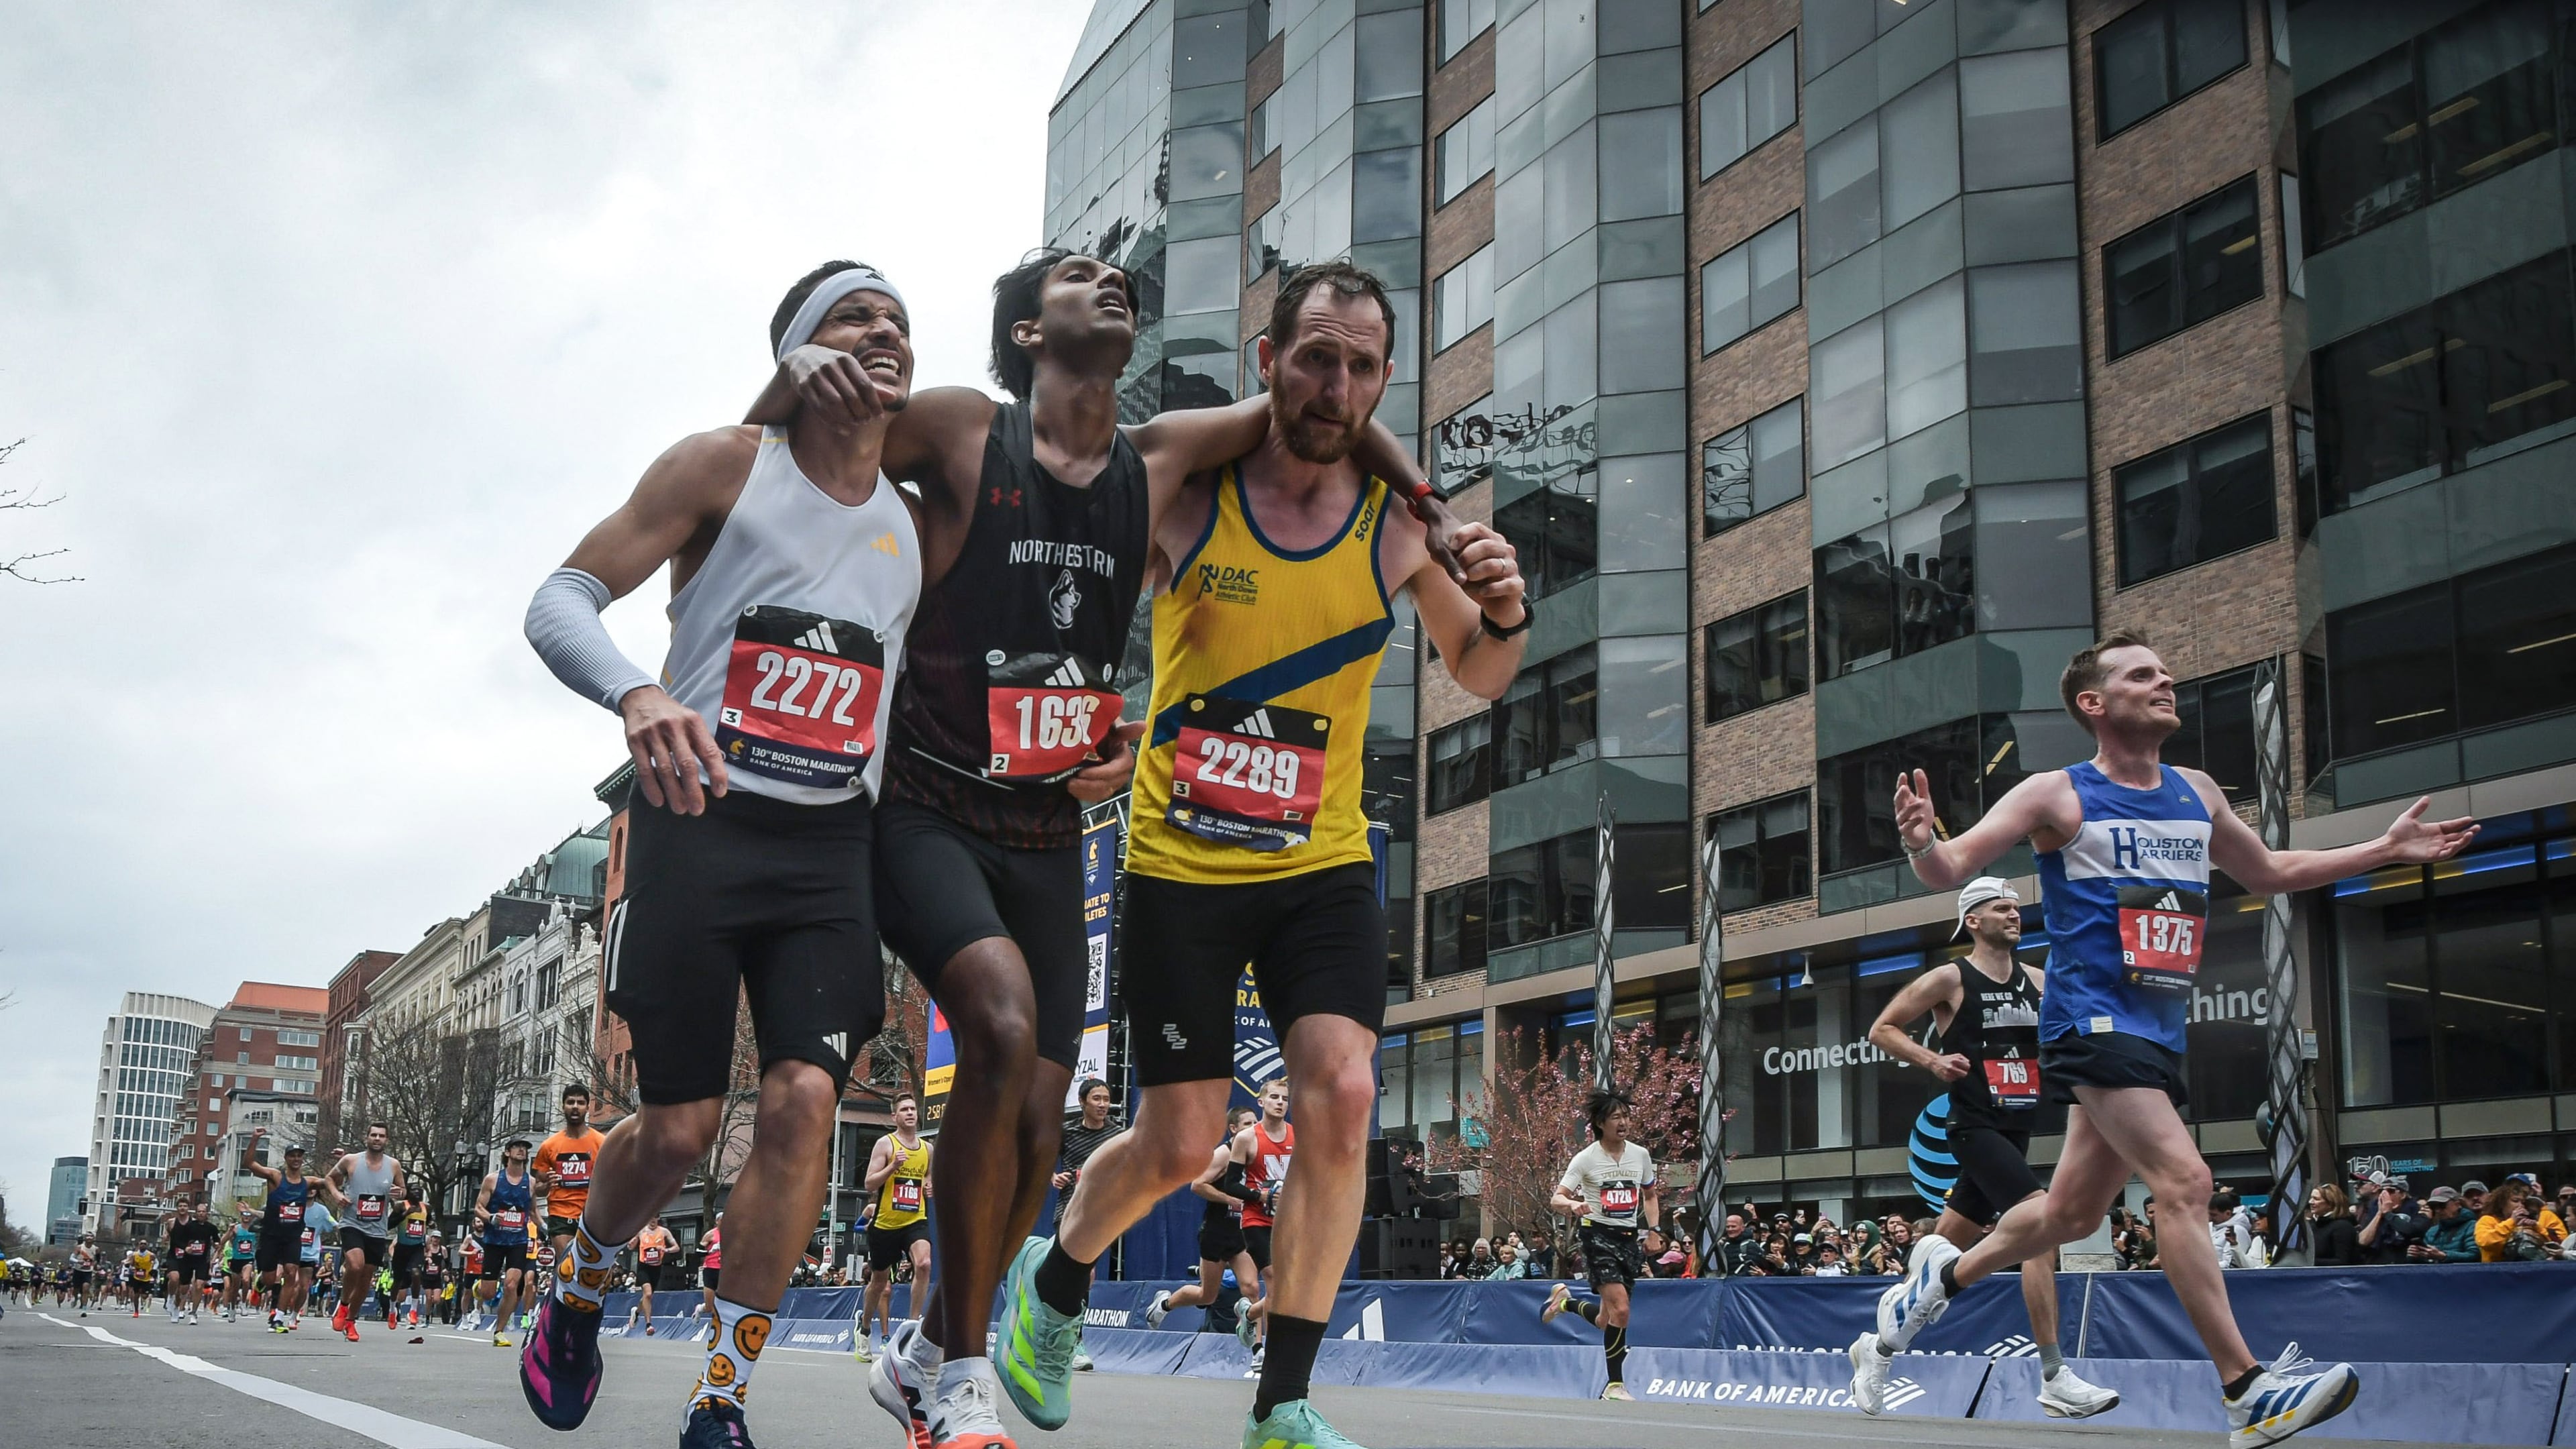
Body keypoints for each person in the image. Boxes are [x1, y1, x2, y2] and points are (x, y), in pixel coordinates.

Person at [750, 251, 1447, 1449]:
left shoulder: (1156, 457)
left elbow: (1326, 412)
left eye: (1119, 274)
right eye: (1078, 275)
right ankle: (964, 1365)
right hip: (932, 801)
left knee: (1038, 1103)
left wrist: (1435, 507)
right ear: (1025, 331)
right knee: (1029, 1045)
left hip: (1052, 823)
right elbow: (808, 466)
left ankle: (959, 1344)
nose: (1111, 280)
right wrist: (792, 382)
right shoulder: (970, 429)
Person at [995, 261, 1528, 1449]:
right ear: (1269, 361)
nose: (1337, 383)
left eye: (1362, 364)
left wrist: (1504, 609)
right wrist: (1076, 727)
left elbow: (1482, 673)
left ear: (1386, 380)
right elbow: (1080, 608)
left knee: (1342, 1092)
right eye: (1316, 357)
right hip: (1182, 863)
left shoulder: (1399, 528)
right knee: (1183, 1139)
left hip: (1321, 860)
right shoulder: (1193, 498)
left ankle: (1283, 1401)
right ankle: (1056, 1284)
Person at [1851, 630, 2477, 1446]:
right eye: (2142, 674)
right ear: (2094, 703)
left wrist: (2384, 849)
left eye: (2166, 672)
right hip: (2088, 1024)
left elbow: (2270, 873)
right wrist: (1922, 840)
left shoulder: (2198, 792)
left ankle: (1931, 1287)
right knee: (2184, 1182)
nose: (2165, 681)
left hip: (2156, 1032)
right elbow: (1952, 866)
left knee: (2070, 1217)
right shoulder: (2056, 794)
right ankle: (2245, 1391)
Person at [516, 262, 923, 1449]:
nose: (883, 332)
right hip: (703, 830)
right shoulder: (724, 466)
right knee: (684, 1125)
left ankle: (721, 1401)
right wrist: (637, 691)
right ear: (797, 352)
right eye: (855, 316)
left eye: (900, 319)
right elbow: (559, 597)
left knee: (803, 1102)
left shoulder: (912, 517)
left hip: (829, 848)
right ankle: (580, 1290)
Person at [1862, 875, 2121, 1416]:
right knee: (2040, 1229)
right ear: (1973, 921)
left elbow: (2075, 1036)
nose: (2014, 915)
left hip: (2017, 1128)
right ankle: (2054, 1375)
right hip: (1972, 1127)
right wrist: (1933, 1061)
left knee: (1938, 1264)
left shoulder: (2039, 981)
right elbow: (1882, 1029)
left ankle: (1878, 1350)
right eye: (2001, 908)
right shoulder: (1951, 979)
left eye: (2017, 908)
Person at [1540, 1091, 1658, 1402]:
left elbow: (1649, 1195)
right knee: (1622, 1309)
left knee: (1607, 1320)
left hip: (1629, 1239)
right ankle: (1614, 1386)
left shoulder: (1641, 1155)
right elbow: (1557, 1198)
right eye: (1616, 1117)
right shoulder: (1586, 1158)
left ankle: (1563, 1302)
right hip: (1597, 1237)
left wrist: (1655, 1231)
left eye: (1626, 1117)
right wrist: (1573, 1204)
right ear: (1600, 1123)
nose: (1624, 1123)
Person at [1144, 1108, 1260, 1331]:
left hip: (1241, 1233)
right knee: (1207, 1295)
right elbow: (1197, 1185)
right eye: (1248, 1124)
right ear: (1233, 1129)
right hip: (1216, 1233)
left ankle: (1256, 1347)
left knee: (1251, 1288)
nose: (1254, 1129)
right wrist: (1229, 1199)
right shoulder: (1224, 1153)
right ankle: (1165, 1304)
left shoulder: (1254, 1155)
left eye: (1256, 1123)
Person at [1226, 1077, 1297, 1369]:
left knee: (1289, 1287)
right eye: (1275, 1098)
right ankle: (1268, 1350)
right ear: (1262, 1101)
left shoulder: (1297, 1136)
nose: (1280, 1103)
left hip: (1289, 1221)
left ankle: (1251, 1313)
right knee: (1275, 1280)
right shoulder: (1247, 1139)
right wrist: (1261, 1195)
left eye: (1284, 1099)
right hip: (1256, 1220)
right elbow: (1231, 1185)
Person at [861, 1094, 935, 1363]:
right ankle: (865, 1327)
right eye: (904, 1109)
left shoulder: (927, 1149)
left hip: (915, 1219)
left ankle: (911, 1328)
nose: (910, 1113)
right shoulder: (886, 1144)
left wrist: (930, 1185)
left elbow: (928, 1176)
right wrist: (893, 1166)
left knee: (925, 1264)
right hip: (886, 1223)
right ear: (895, 1117)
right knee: (879, 1282)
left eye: (913, 1109)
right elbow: (870, 1184)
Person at [244, 1132, 335, 1333]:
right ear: (286, 1158)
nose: (296, 1159)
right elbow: (250, 1164)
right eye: (292, 1155)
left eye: (299, 1156)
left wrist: (341, 1161)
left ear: (302, 1159)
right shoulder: (276, 1177)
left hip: (293, 1237)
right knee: (270, 1279)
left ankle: (278, 1317)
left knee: (291, 1274)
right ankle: (261, 1285)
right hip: (271, 1235)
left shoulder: (308, 1182)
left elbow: (331, 1181)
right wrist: (254, 1139)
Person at [323, 1121, 406, 1341]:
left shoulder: (394, 1165)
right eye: (374, 1135)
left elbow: (403, 1191)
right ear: (367, 1138)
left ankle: (351, 1320)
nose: (377, 1139)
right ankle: (343, 1305)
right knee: (356, 1265)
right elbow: (329, 1179)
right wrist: (336, 1195)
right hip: (352, 1224)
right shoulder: (351, 1161)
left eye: (381, 1136)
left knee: (366, 1277)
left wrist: (400, 1194)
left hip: (377, 1230)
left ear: (387, 1140)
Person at [533, 1084, 608, 1269]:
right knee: (567, 1266)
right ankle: (560, 1294)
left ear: (587, 1107)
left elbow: (613, 1181)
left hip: (591, 1214)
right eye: (570, 1102)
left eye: (580, 1103)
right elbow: (538, 1189)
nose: (575, 1106)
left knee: (590, 1268)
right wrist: (548, 1185)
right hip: (560, 1214)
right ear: (563, 1106)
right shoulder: (549, 1146)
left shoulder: (602, 1143)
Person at [476, 1138, 541, 1347]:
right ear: (507, 1152)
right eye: (517, 1147)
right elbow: (478, 1207)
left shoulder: (530, 1182)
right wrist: (490, 1218)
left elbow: (533, 1211)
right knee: (488, 1293)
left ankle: (499, 1331)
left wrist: (544, 1228)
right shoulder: (493, 1179)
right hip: (495, 1240)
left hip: (518, 1241)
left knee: (512, 1284)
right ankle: (481, 1286)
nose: (522, 1150)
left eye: (525, 1148)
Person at [164, 1200, 216, 1325]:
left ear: (189, 1208)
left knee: (187, 1288)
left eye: (185, 1206)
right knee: (175, 1279)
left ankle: (189, 1311)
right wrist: (166, 1238)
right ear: (177, 1208)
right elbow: (172, 1238)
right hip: (175, 1254)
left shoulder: (193, 1223)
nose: (183, 1208)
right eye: (180, 1206)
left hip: (191, 1257)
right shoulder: (171, 1222)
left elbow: (206, 1236)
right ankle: (171, 1299)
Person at [389, 1186, 431, 1328]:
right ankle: (392, 1310)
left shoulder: (427, 1208)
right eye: (414, 1191)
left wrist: (431, 1225)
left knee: (416, 1273)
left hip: (417, 1248)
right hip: (402, 1248)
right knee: (398, 1281)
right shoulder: (401, 1206)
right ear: (408, 1194)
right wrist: (406, 1214)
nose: (418, 1193)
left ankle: (413, 1310)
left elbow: (429, 1221)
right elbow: (389, 1224)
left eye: (421, 1191)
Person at [632, 1220, 680, 1335]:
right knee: (648, 1294)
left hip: (656, 1268)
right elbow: (631, 1246)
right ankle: (649, 1325)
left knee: (647, 1297)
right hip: (643, 1267)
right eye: (650, 1220)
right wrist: (631, 1243)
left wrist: (666, 1250)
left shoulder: (664, 1232)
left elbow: (677, 1247)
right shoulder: (641, 1230)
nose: (652, 1223)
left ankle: (637, 1312)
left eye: (655, 1220)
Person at [2413, 1187, 2477, 1263]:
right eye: (2434, 1206)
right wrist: (2415, 1255)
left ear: (2457, 1204)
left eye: (2442, 1205)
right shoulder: (2432, 1231)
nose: (2438, 1210)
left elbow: (2475, 1256)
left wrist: (2444, 1256)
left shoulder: (2472, 1226)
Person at [221, 1204, 260, 1322]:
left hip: (249, 1259)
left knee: (246, 1280)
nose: (247, 1217)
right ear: (241, 1216)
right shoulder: (236, 1228)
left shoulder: (255, 1229)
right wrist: (229, 1231)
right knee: (234, 1287)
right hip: (236, 1259)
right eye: (244, 1215)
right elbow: (223, 1241)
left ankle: (243, 1303)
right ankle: (232, 1308)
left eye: (249, 1215)